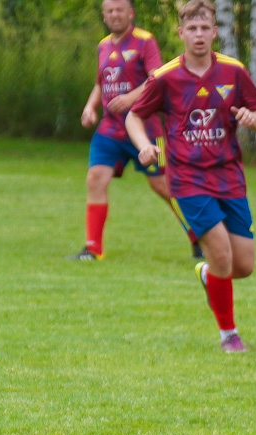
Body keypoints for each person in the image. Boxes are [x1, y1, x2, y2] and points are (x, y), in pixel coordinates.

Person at [125, 0, 256, 352]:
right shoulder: (166, 77)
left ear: (215, 32)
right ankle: (229, 336)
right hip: (188, 180)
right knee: (220, 254)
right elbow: (133, 116)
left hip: (229, 177)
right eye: (192, 29)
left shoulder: (232, 71)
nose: (199, 34)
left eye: (205, 28)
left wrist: (254, 119)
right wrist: (144, 145)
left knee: (243, 265)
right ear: (181, 33)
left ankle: (208, 277)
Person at [70, 0, 203, 261]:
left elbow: (158, 78)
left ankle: (199, 235)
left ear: (130, 13)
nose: (115, 15)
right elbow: (100, 82)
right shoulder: (103, 45)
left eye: (119, 10)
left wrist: (131, 99)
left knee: (164, 186)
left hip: (145, 129)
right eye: (109, 11)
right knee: (95, 179)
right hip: (110, 129)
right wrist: (90, 107)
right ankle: (93, 249)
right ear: (104, 16)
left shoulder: (145, 41)